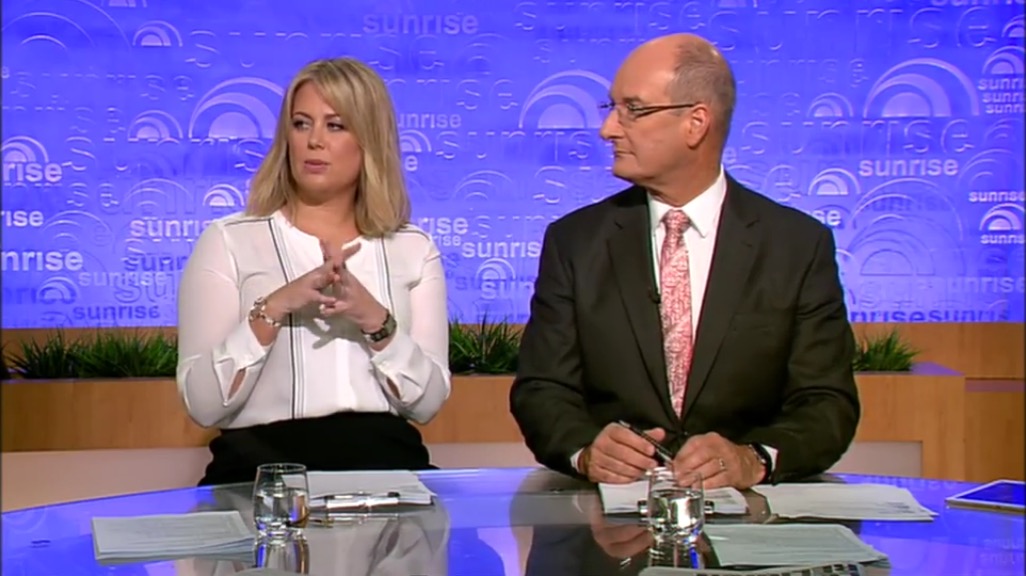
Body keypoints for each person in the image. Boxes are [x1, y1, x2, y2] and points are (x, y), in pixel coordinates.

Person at [509, 33, 860, 490]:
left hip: (750, 514)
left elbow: (827, 403)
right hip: (612, 513)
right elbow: (542, 390)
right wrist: (586, 450)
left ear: (696, 123)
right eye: (612, 108)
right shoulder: (576, 242)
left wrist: (755, 459)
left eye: (633, 109)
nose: (608, 129)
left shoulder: (796, 245)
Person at [176, 57, 451, 486]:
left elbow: (428, 404)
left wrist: (375, 320)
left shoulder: (412, 248)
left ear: (370, 139)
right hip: (258, 474)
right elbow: (202, 404)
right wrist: (273, 308)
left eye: (335, 125)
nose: (314, 141)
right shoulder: (228, 241)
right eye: (301, 124)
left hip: (386, 471)